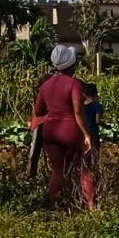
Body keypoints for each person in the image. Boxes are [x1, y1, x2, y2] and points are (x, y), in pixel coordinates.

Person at [32, 45, 94, 209]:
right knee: (84, 167)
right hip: (71, 130)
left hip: (51, 131)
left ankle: (55, 205)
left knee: (57, 171)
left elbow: (38, 111)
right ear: (71, 65)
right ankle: (90, 204)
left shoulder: (45, 86)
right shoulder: (73, 84)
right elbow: (78, 111)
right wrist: (86, 134)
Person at [81, 82, 103, 192]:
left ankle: (85, 175)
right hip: (93, 132)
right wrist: (105, 125)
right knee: (94, 154)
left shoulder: (81, 106)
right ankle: (94, 174)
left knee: (84, 155)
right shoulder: (97, 105)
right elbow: (97, 121)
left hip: (83, 133)